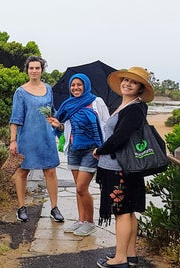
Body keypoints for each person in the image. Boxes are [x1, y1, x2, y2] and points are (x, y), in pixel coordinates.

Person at [92, 66, 155, 268]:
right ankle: (130, 254)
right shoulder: (127, 106)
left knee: (122, 213)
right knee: (128, 211)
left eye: (133, 82)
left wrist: (100, 150)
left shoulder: (135, 108)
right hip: (123, 167)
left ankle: (120, 259)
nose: (127, 83)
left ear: (140, 88)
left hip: (119, 167)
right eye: (125, 80)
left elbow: (120, 137)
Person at [47, 73, 110, 236]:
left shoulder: (96, 102)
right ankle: (81, 221)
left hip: (92, 150)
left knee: (82, 188)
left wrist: (103, 149)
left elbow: (107, 125)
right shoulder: (68, 105)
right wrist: (58, 125)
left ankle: (90, 222)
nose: (75, 88)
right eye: (73, 85)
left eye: (79, 84)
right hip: (74, 150)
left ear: (86, 85)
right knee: (78, 189)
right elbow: (65, 128)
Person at [9, 56, 64, 223]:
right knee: (23, 171)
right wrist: (13, 140)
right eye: (31, 68)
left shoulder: (48, 89)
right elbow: (15, 118)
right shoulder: (20, 92)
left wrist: (57, 123)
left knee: (50, 171)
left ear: (42, 70)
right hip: (27, 138)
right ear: (27, 70)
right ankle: (21, 207)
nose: (34, 71)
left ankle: (54, 208)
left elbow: (51, 111)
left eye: (37, 68)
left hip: (46, 137)